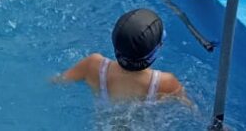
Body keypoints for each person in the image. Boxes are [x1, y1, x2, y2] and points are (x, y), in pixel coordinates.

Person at [56, 9, 190, 104]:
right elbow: (190, 109)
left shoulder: (93, 65)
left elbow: (58, 81)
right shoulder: (165, 82)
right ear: (157, 49)